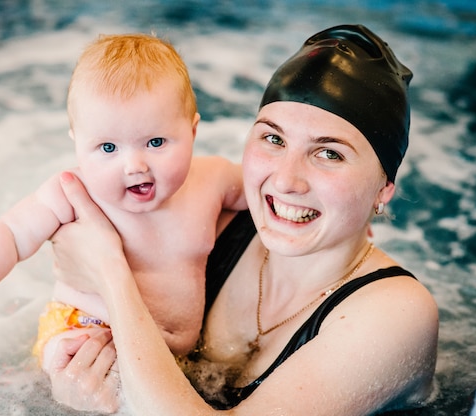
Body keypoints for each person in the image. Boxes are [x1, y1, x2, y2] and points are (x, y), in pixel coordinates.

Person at [45, 24, 440, 415]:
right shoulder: (209, 230)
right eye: (273, 139)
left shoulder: (398, 314)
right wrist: (72, 382)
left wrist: (110, 272)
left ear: (384, 187)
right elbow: (73, 331)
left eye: (329, 154)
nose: (286, 181)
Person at [0, 33, 246, 373]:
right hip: (86, 329)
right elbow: (10, 235)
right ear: (77, 144)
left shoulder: (212, 179)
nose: (135, 166)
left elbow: (267, 192)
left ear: (192, 131)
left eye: (156, 141)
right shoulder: (74, 191)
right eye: (107, 148)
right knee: (79, 373)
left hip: (171, 355)